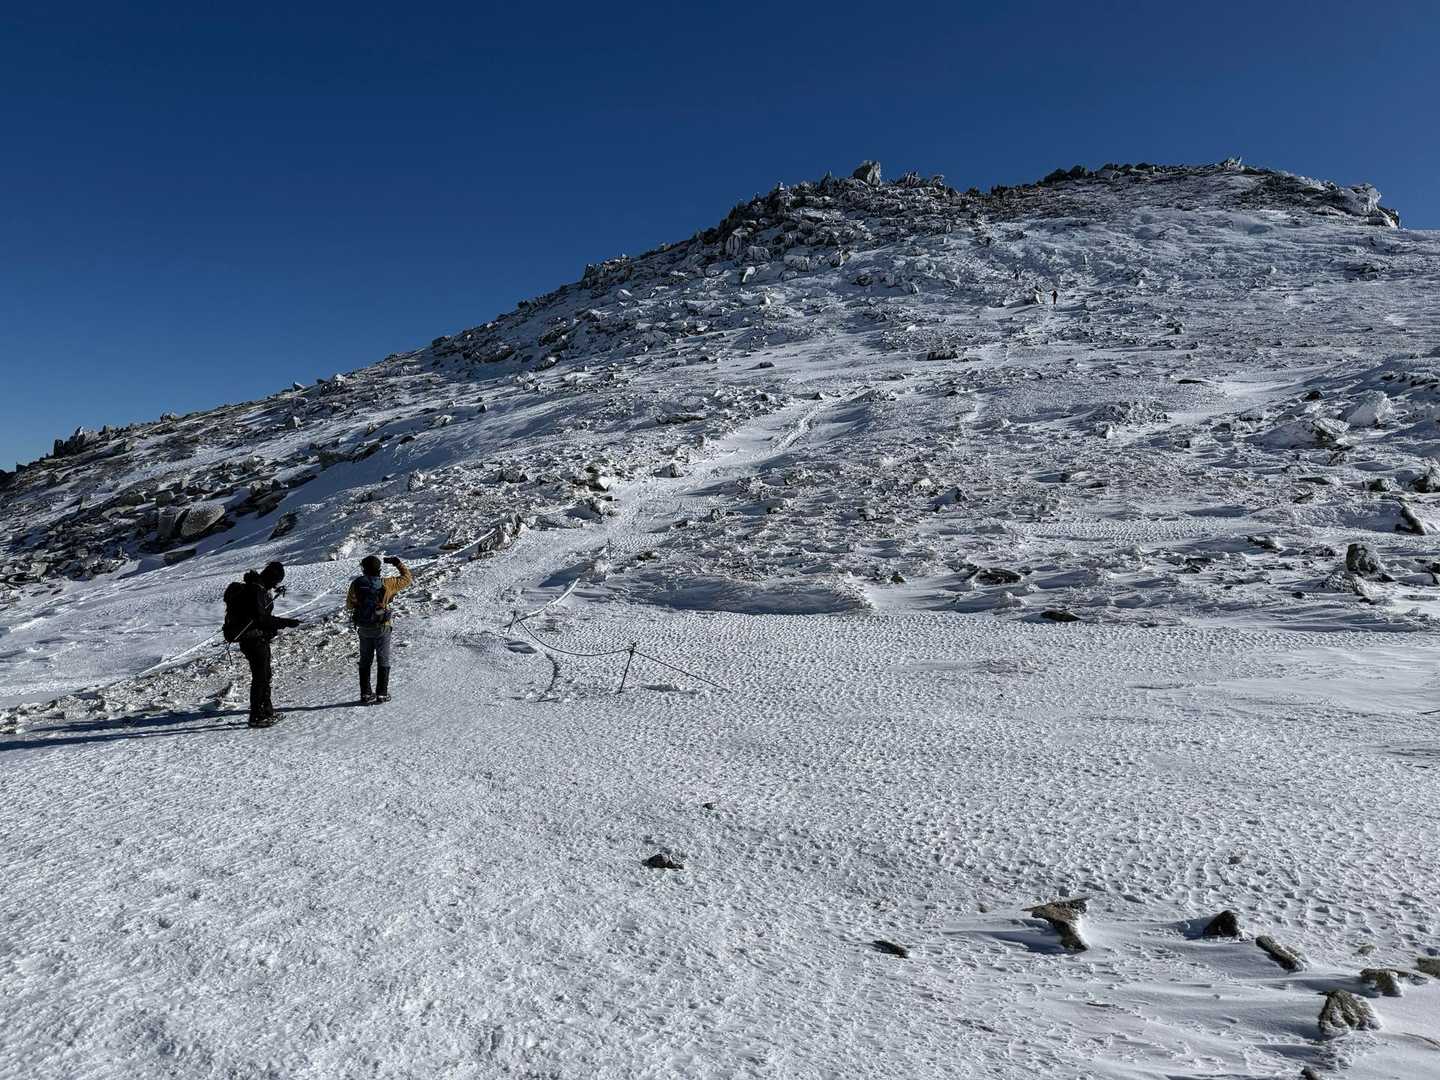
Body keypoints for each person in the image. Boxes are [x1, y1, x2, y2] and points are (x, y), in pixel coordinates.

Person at [225, 561, 301, 728]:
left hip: (256, 639)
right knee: (260, 677)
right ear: (272, 577)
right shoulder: (256, 591)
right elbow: (262, 619)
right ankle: (257, 716)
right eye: (276, 581)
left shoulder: (256, 588)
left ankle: (266, 711)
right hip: (253, 640)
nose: (276, 585)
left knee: (265, 676)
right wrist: (285, 622)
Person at [346, 554, 414, 704]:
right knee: (383, 659)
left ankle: (366, 694)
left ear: (364, 569)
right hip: (383, 626)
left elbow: (349, 605)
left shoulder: (356, 583)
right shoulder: (387, 583)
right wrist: (397, 563)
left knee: (365, 660)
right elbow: (407, 578)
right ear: (379, 569)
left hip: (364, 628)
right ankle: (382, 693)